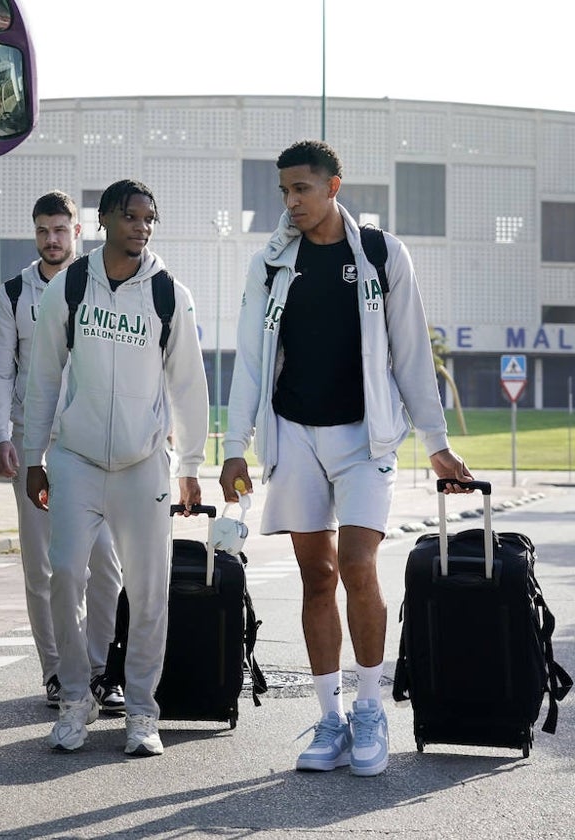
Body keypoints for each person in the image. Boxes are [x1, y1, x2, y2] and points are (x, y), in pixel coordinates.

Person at [219, 139, 474, 778]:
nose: (290, 202)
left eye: (301, 188)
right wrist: (232, 448)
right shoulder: (272, 263)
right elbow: (249, 362)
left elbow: (411, 352)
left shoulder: (382, 254)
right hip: (295, 436)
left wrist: (436, 444)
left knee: (358, 567)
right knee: (315, 578)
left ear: (335, 186)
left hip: (366, 439)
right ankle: (329, 717)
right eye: (283, 191)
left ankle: (369, 706)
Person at [23, 179, 209, 756]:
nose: (142, 227)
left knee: (150, 591)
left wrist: (192, 464)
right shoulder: (71, 286)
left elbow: (189, 384)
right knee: (66, 577)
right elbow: (44, 377)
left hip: (143, 464)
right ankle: (77, 699)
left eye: (150, 218)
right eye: (131, 216)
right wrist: (34, 457)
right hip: (76, 459)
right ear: (104, 219)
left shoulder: (168, 294)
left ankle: (142, 713)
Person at [0, 190, 125, 714]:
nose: (51, 240)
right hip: (33, 443)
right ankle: (59, 674)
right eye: (43, 231)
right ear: (34, 232)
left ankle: (101, 669)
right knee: (43, 567)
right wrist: (1, 436)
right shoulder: (15, 293)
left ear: (78, 232)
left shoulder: (100, 285)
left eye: (60, 230)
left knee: (105, 564)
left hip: (93, 445)